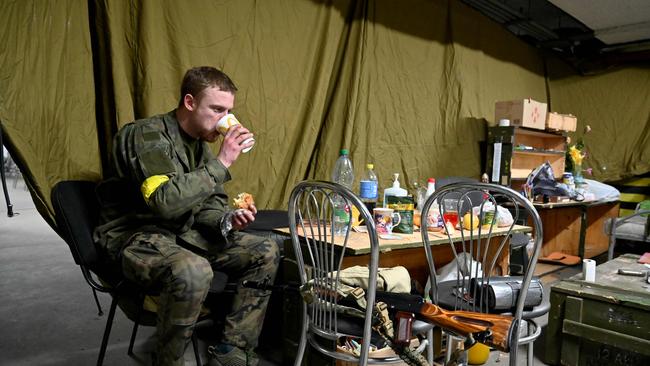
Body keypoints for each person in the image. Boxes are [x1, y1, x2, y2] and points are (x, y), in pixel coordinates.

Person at [94, 66, 279, 366]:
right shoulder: (145, 136)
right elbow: (164, 202)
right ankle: (167, 361)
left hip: (182, 236)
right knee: (194, 270)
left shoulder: (200, 147)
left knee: (266, 250)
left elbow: (208, 205)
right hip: (136, 238)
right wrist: (223, 161)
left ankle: (232, 350)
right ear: (190, 102)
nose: (225, 120)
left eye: (229, 111)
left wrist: (228, 219)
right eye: (217, 109)